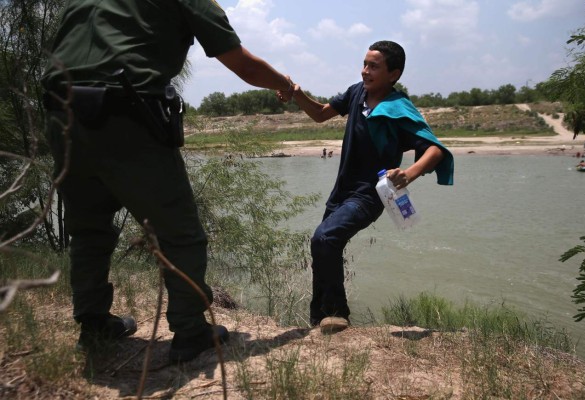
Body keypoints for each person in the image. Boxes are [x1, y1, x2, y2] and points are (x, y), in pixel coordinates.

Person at [41, 0, 294, 362]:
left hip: (60, 116)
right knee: (180, 233)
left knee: (89, 229)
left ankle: (93, 324)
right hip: (123, 115)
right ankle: (191, 331)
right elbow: (242, 63)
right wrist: (285, 84)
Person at [278, 40, 454, 334]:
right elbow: (320, 113)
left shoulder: (399, 108)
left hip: (371, 193)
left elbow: (435, 150)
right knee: (322, 247)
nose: (365, 71)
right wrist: (298, 94)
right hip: (342, 190)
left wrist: (408, 174)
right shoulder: (356, 93)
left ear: (393, 74)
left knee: (325, 238)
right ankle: (318, 317)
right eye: (364, 64)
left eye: (373, 66)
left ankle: (336, 313)